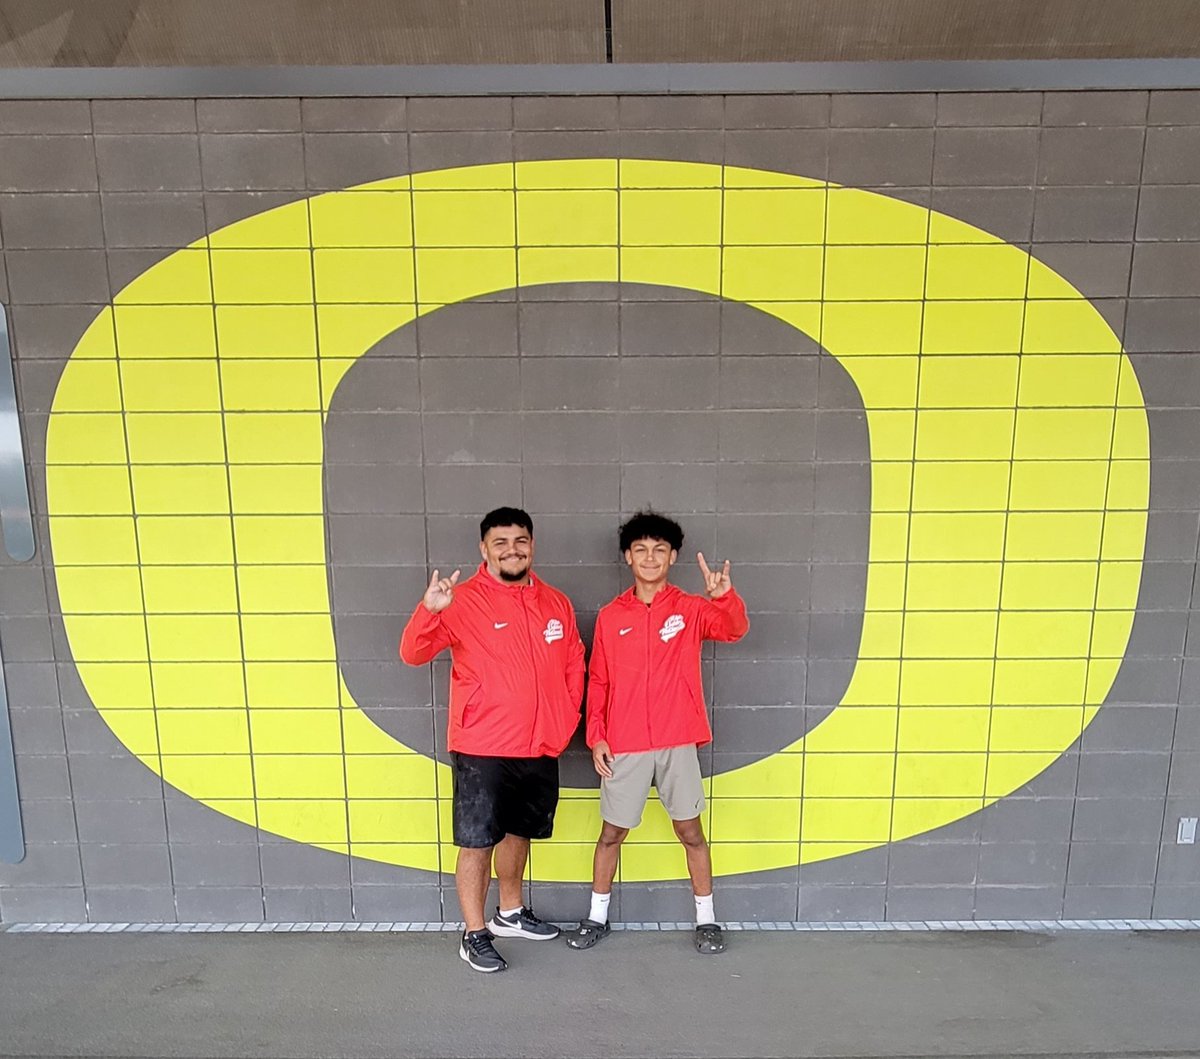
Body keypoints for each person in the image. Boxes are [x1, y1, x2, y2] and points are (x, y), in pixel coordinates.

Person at [400, 507, 585, 973]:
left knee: (520, 831)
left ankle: (510, 913)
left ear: (532, 545)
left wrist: (564, 720)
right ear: (484, 549)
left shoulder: (555, 602)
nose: (512, 549)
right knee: (478, 841)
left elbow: (573, 664)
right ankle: (474, 933)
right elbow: (412, 654)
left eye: (520, 540)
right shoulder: (459, 600)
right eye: (500, 542)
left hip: (540, 744)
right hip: (482, 745)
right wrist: (429, 611)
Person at [566, 511, 749, 955]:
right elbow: (600, 680)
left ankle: (707, 919)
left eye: (660, 550)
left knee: (690, 831)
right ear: (628, 557)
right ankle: (597, 916)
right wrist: (597, 736)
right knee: (611, 834)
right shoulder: (612, 616)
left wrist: (724, 598)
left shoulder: (689, 608)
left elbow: (733, 629)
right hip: (624, 744)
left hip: (676, 739)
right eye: (642, 550)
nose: (651, 558)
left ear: (673, 557)